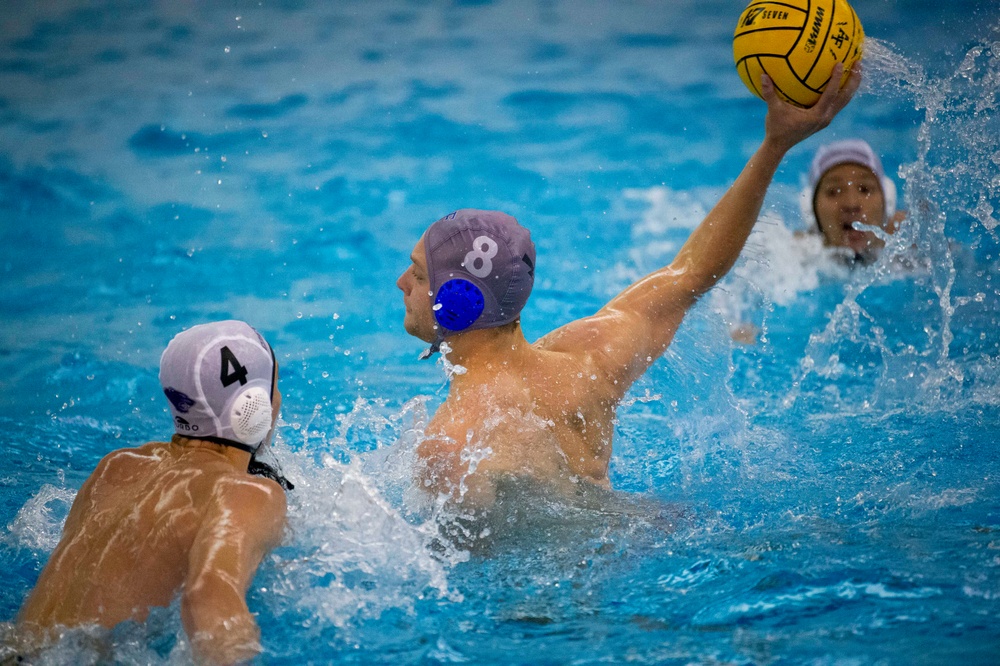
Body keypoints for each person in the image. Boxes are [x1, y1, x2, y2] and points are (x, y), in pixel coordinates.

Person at [396, 65, 861, 507]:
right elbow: (691, 274)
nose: (401, 283)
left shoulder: (452, 445)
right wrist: (774, 146)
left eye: (418, 274)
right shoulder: (586, 361)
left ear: (459, 302)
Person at [15, 320, 291, 665]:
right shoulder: (246, 493)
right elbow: (205, 597)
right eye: (275, 387)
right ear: (253, 406)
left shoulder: (117, 467)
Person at [801, 138, 907, 264]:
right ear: (811, 208)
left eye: (864, 190)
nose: (851, 204)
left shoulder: (912, 251)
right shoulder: (797, 258)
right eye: (834, 192)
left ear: (887, 201)